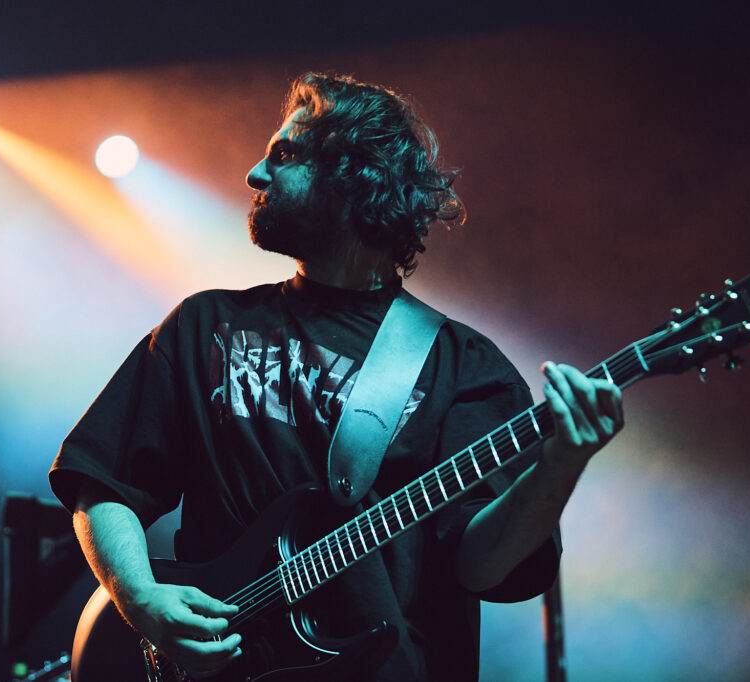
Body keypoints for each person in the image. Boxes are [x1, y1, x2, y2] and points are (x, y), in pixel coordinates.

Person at [50, 72, 623, 681]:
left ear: (354, 176)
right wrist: (140, 598)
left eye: (283, 155)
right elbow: (104, 482)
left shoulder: (465, 367)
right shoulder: (206, 325)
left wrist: (561, 464)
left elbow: (482, 566)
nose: (254, 174)